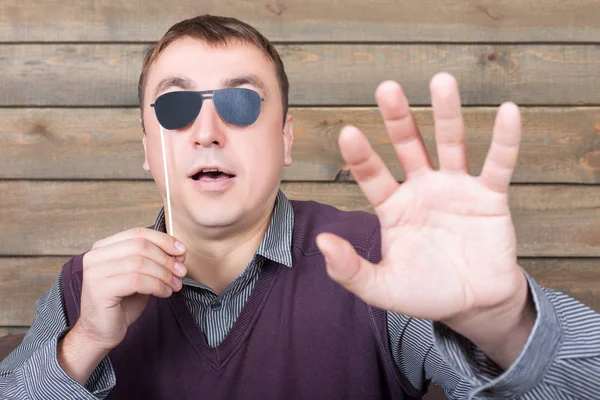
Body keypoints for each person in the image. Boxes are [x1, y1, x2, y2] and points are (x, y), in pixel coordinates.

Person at [1, 14, 599, 400]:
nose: (206, 131)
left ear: (286, 139)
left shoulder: (379, 264)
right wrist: (80, 347)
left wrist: (505, 321)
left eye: (239, 104)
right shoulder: (85, 288)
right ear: (147, 150)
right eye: (177, 109)